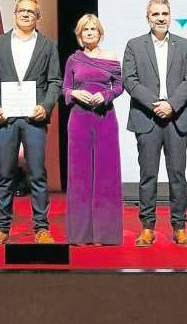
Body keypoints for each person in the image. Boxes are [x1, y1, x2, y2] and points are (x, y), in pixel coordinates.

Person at [0, 0, 62, 246]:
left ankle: (41, 228)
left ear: (38, 17)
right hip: (5, 118)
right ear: (14, 14)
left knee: (37, 174)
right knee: (5, 174)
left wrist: (46, 106)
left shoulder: (48, 45)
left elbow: (55, 82)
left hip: (34, 118)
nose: (26, 14)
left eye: (32, 11)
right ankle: (1, 228)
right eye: (22, 10)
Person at [122, 0, 187, 247]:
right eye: (155, 14)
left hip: (177, 117)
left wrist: (171, 105)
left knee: (178, 175)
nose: (161, 18)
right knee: (148, 176)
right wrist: (157, 104)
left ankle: (180, 227)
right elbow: (129, 81)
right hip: (147, 117)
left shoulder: (185, 45)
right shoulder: (134, 45)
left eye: (165, 13)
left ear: (170, 15)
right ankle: (147, 227)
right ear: (148, 18)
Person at [63, 14, 123, 245]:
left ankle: (104, 234)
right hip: (79, 119)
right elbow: (65, 88)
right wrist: (74, 93)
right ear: (79, 34)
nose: (89, 32)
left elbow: (119, 86)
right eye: (85, 30)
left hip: (105, 118)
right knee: (80, 177)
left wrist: (105, 95)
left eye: (93, 29)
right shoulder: (73, 59)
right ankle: (81, 234)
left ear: (100, 33)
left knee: (106, 175)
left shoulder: (111, 57)